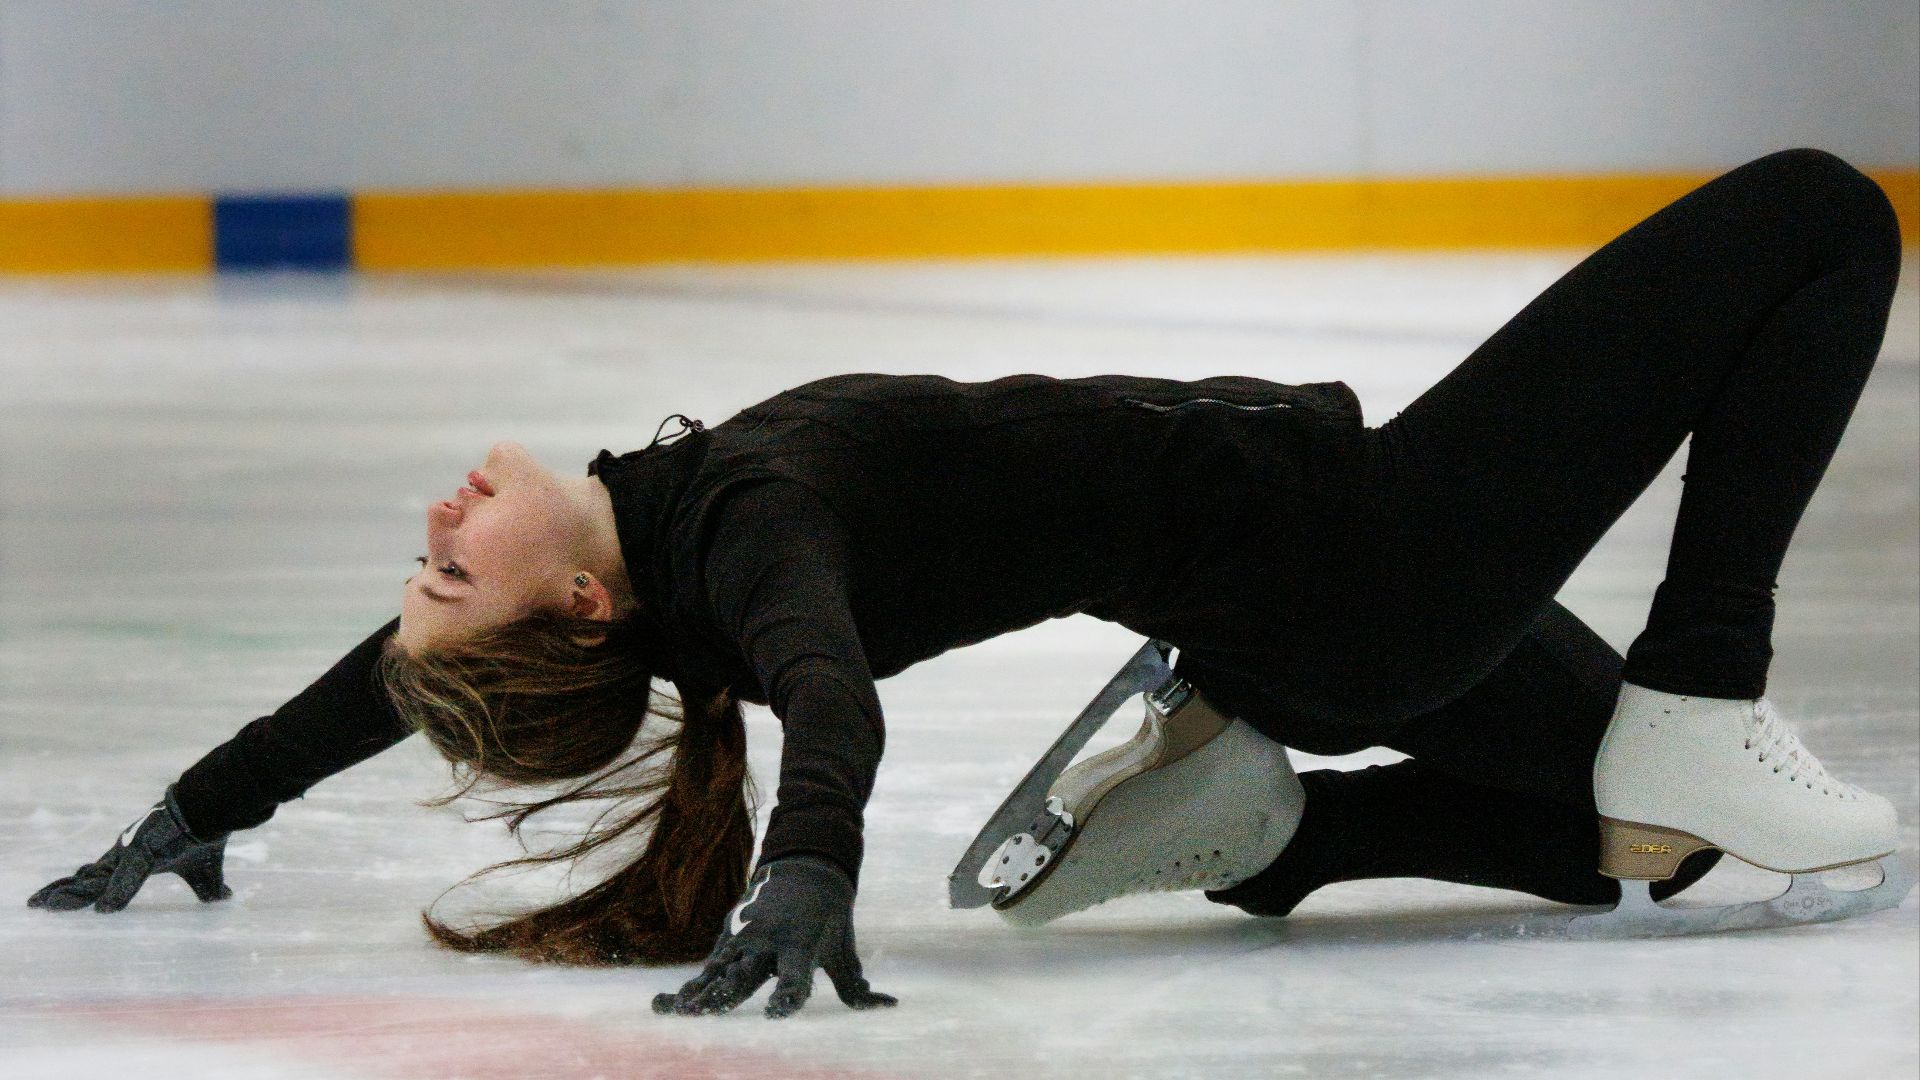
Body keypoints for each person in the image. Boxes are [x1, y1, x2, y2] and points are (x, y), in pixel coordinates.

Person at [28, 148, 1907, 1019]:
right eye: (450, 569)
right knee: (1820, 216)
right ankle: (1705, 688)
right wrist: (811, 862)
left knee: (1632, 857)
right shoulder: (749, 531)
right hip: (1364, 569)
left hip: (1308, 631)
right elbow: (832, 693)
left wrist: (201, 805)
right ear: (576, 612)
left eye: (422, 567)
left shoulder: (662, 561)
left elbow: (380, 685)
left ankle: (1284, 841)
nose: (432, 530)